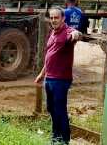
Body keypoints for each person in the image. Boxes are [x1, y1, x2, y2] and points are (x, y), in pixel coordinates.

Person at [35, 7, 83, 144]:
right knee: (51, 108)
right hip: (49, 78)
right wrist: (41, 74)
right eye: (51, 18)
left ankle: (64, 140)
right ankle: (55, 137)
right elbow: (50, 55)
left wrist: (76, 34)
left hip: (61, 79)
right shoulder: (53, 32)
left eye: (56, 18)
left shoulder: (67, 31)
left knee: (60, 110)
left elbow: (76, 34)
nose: (53, 20)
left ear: (63, 19)